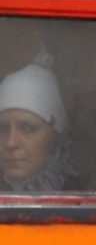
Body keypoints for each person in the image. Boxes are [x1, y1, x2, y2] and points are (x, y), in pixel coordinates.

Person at [0, 59, 77, 194]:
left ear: (56, 137)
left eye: (27, 128)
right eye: (3, 129)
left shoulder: (83, 198)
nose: (10, 143)